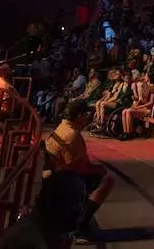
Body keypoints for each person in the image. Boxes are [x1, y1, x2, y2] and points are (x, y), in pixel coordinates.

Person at [44, 100, 115, 241]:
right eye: (86, 114)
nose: (89, 117)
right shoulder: (72, 135)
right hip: (61, 179)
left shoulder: (62, 127)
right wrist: (100, 170)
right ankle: (79, 228)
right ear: (80, 116)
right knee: (106, 181)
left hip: (52, 174)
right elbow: (79, 167)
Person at [0, 170, 87, 249]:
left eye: (82, 202)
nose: (80, 211)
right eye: (73, 202)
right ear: (53, 203)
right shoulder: (26, 242)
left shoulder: (42, 230)